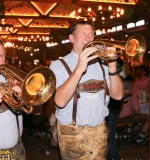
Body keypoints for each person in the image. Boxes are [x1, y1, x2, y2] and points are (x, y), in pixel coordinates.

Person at [49, 21, 123, 159]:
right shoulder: (58, 65)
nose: (88, 38)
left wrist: (112, 67)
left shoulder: (102, 63)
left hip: (100, 133)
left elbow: (118, 96)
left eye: (91, 34)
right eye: (83, 34)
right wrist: (79, 68)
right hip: (72, 134)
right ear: (71, 38)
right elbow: (59, 101)